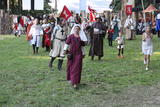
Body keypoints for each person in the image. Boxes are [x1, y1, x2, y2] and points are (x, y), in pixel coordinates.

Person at [63, 24, 86, 89]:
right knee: (70, 66)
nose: (76, 29)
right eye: (75, 28)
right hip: (71, 54)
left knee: (77, 68)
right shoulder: (71, 36)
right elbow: (67, 43)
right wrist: (65, 50)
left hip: (78, 54)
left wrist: (83, 53)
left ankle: (75, 82)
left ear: (79, 30)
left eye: (78, 28)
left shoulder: (81, 37)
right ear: (73, 29)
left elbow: (82, 47)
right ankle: (72, 79)